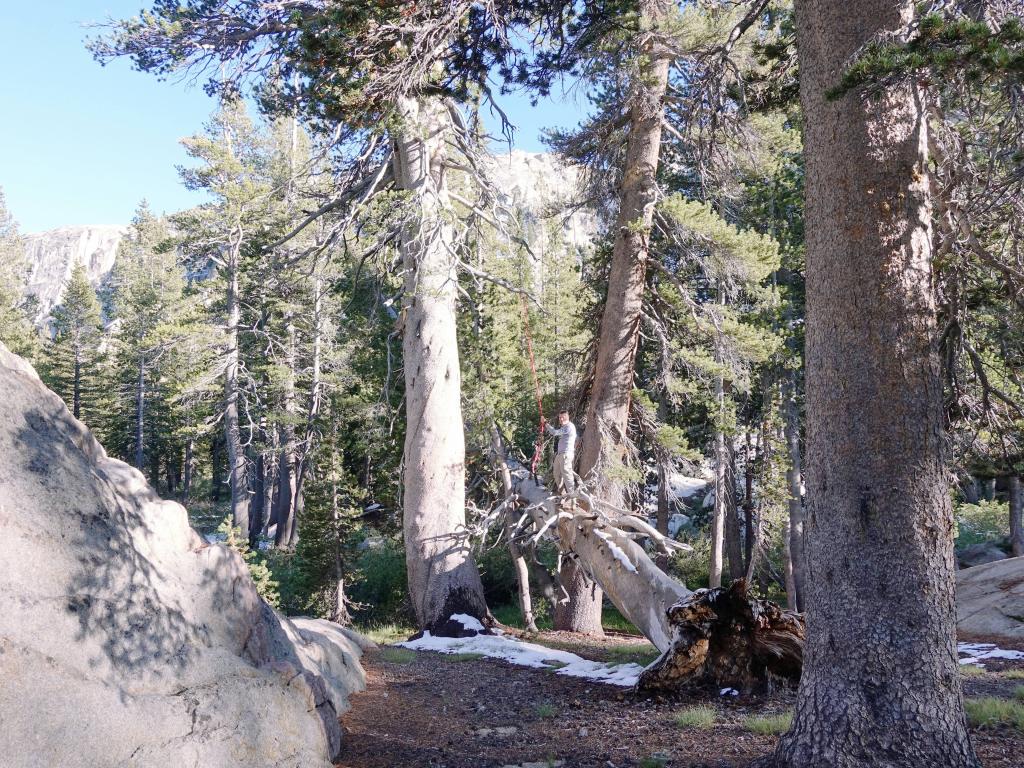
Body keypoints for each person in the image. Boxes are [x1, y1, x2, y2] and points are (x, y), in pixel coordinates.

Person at [544, 409, 576, 497]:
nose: (561, 419)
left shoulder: (569, 426)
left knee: (567, 475)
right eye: (560, 418)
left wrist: (545, 423)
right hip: (560, 454)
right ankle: (563, 494)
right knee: (556, 473)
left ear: (567, 417)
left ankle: (572, 497)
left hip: (566, 454)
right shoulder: (564, 427)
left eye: (562, 417)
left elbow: (554, 432)